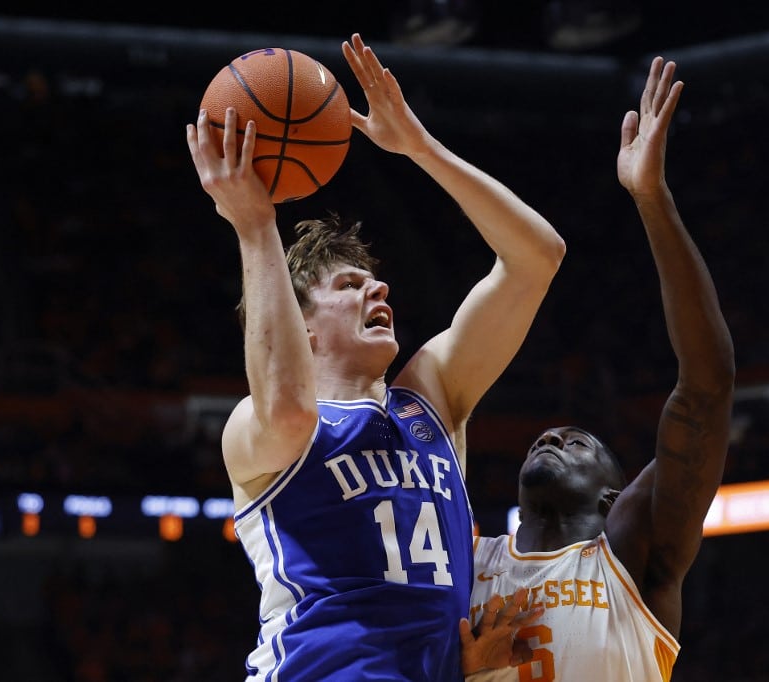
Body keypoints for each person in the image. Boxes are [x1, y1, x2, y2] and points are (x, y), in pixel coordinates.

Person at [185, 33, 566, 681]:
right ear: (301, 327)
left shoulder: (432, 397)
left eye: (375, 280)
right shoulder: (258, 431)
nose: (377, 287)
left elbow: (538, 258)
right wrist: (256, 226)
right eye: (348, 284)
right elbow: (287, 407)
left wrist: (422, 148)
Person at [466, 56, 736, 681]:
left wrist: (652, 198)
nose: (553, 436)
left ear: (616, 494)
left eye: (578, 442)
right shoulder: (466, 563)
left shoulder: (634, 554)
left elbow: (707, 386)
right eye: (551, 438)